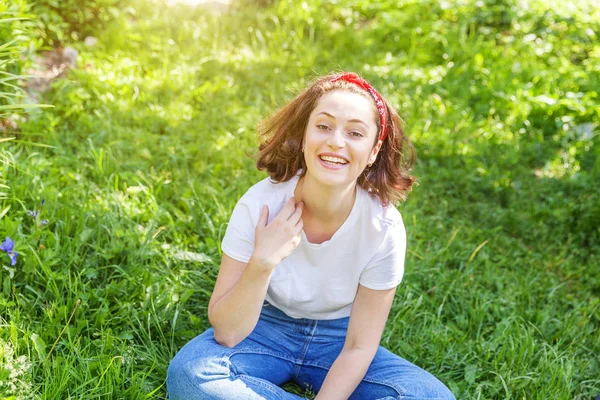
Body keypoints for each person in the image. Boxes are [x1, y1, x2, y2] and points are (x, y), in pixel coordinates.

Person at [167, 72, 455, 399]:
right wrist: (262, 262)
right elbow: (228, 332)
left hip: (339, 340)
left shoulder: (384, 228)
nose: (336, 141)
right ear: (304, 136)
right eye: (323, 126)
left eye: (355, 132)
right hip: (262, 327)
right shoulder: (259, 205)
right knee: (191, 375)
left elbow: (360, 347)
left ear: (373, 151)